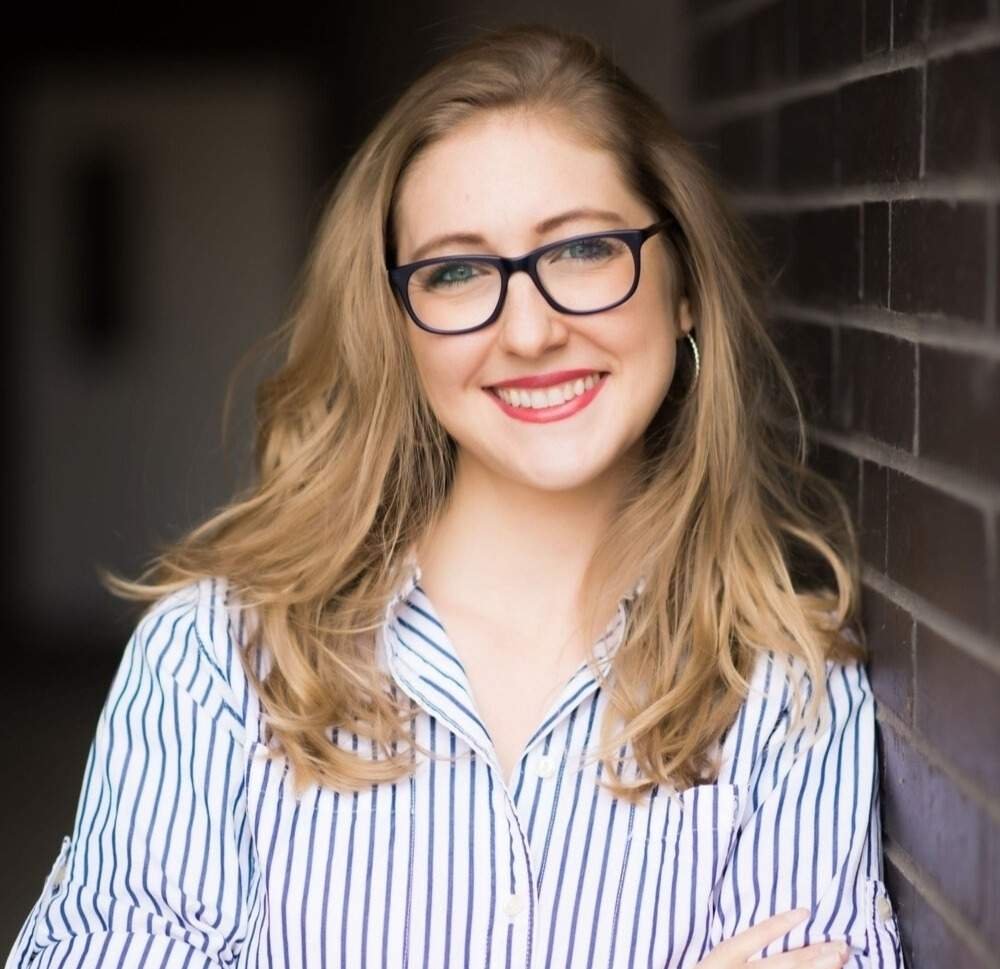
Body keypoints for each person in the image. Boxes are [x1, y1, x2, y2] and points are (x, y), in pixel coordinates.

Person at [7, 22, 907, 969]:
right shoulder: (220, 663)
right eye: (456, 271)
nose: (528, 330)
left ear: (682, 283)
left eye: (584, 251)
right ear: (399, 325)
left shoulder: (788, 698)